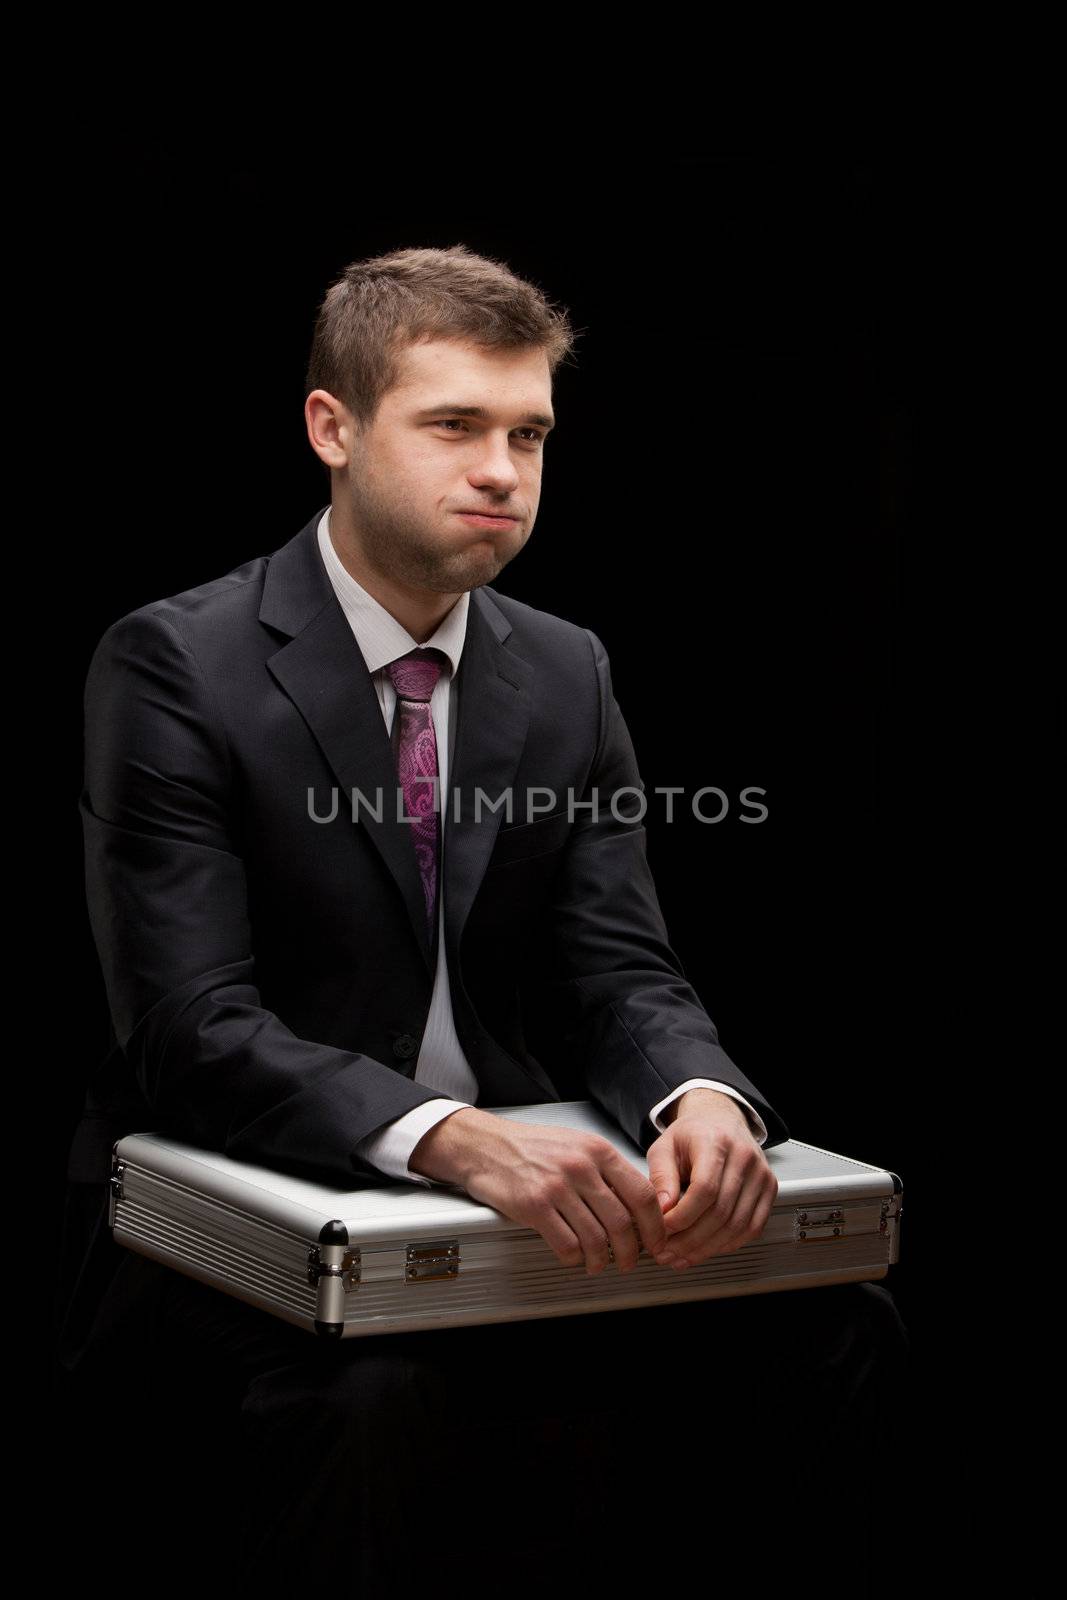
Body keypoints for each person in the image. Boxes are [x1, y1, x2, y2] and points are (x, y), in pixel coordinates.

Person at [57, 244, 910, 1594]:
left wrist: (703, 1102)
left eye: (530, 433)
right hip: (260, 1209)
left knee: (838, 1327)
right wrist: (445, 1138)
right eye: (454, 424)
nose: (503, 471)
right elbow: (188, 1026)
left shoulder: (566, 668)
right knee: (375, 1409)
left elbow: (620, 968)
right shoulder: (176, 664)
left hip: (537, 1219)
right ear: (331, 429)